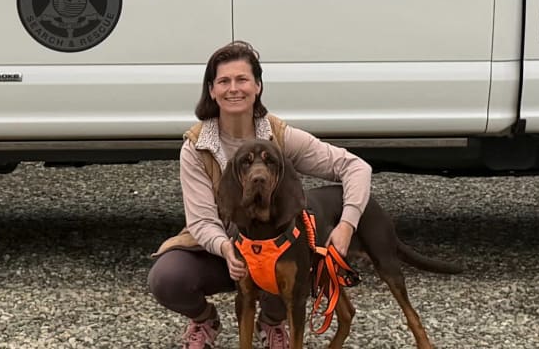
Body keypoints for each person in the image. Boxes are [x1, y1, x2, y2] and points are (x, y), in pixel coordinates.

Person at [148, 40, 373, 349]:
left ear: (258, 86)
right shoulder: (196, 146)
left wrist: (347, 224)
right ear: (211, 90)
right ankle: (204, 319)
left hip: (274, 251)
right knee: (167, 278)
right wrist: (227, 250)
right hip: (221, 252)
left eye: (242, 79)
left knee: (300, 258)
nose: (233, 88)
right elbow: (200, 222)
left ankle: (271, 322)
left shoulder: (279, 136)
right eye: (224, 81)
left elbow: (356, 167)